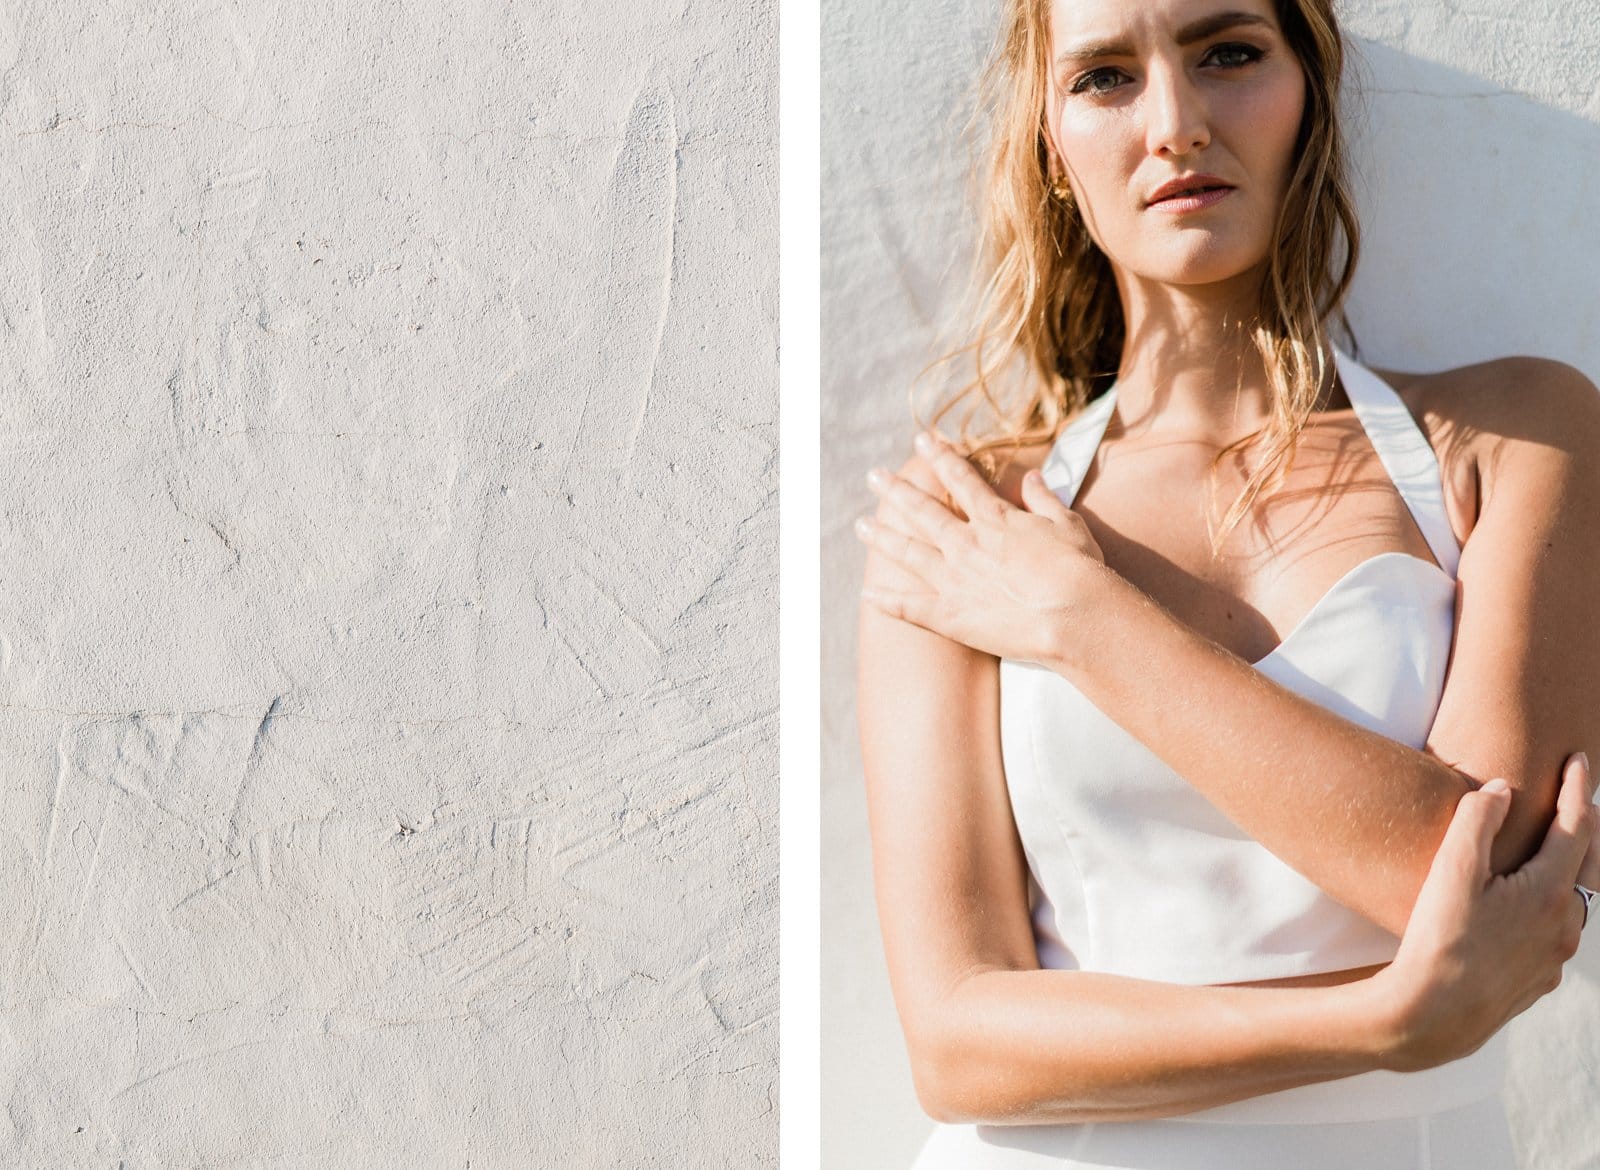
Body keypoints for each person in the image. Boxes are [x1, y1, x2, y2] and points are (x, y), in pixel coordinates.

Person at [851, 0, 1600, 1166]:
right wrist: (1376, 1024)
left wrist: (1082, 620)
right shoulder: (972, 516)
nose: (1178, 122)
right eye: (1105, 78)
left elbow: (1482, 868)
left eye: (1229, 54)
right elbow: (956, 1042)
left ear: (1308, 90)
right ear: (1054, 151)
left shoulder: (1514, 433)